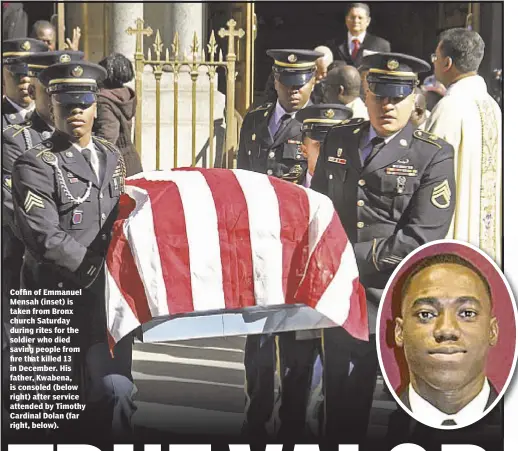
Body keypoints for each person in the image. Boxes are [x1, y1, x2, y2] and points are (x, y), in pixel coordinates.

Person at [310, 52, 456, 442]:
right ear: (367, 94)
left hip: (398, 301)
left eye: (397, 96)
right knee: (340, 407)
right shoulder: (340, 138)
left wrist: (344, 258)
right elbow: (321, 208)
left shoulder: (433, 154)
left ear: (415, 99)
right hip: (345, 299)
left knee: (407, 414)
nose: (387, 105)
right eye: (380, 95)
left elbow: (421, 238)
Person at [11, 61, 136, 442]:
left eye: (83, 102)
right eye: (66, 104)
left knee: (116, 394)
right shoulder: (34, 163)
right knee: (56, 411)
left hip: (105, 305)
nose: (75, 112)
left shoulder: (111, 155)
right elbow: (43, 235)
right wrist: (97, 271)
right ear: (52, 105)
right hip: (55, 298)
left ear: (96, 104)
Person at [238, 48, 321, 440]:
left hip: (297, 250)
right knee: (257, 344)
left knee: (296, 349)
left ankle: (293, 426)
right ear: (274, 81)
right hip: (258, 247)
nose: (293, 92)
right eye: (286, 84)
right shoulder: (254, 119)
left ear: (312, 83)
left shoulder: (324, 125)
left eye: (300, 84)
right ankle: (256, 420)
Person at [393, 253, 499, 428]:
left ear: (492, 331)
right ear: (400, 332)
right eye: (426, 314)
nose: (447, 329)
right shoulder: (359, 427)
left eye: (467, 313)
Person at [426, 28, 502, 266]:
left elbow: (427, 172)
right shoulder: (492, 105)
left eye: (435, 57)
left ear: (447, 62)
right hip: (485, 233)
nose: (434, 63)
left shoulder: (450, 107)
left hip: (454, 231)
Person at [94, 53, 143, 176]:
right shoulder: (125, 94)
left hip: (116, 165)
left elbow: (108, 136)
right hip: (131, 159)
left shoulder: (105, 100)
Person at [297, 104, 353, 188]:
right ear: (304, 150)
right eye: (320, 145)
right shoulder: (288, 188)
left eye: (335, 144)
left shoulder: (355, 192)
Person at [2, 38, 48, 128]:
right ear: (2, 77)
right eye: (17, 73)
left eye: (32, 73)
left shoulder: (55, 120)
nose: (25, 79)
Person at [334, 3, 390, 67]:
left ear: (368, 21)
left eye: (360, 18)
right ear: (346, 19)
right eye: (352, 17)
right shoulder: (334, 44)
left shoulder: (381, 45)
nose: (356, 21)